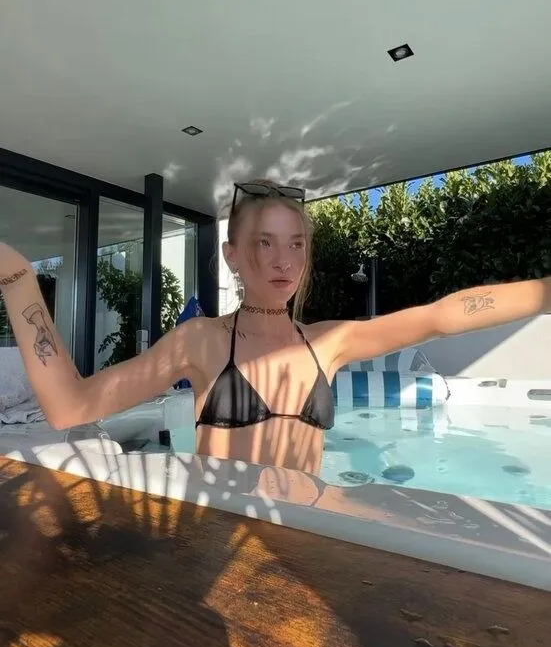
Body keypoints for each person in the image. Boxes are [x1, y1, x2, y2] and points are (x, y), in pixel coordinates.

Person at [1, 178, 550, 477]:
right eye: (265, 242)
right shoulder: (201, 341)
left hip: (309, 540)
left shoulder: (328, 343)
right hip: (222, 542)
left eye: (296, 243)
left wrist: (546, 291)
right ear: (232, 254)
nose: (284, 260)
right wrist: (21, 280)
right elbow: (70, 406)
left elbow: (441, 316)